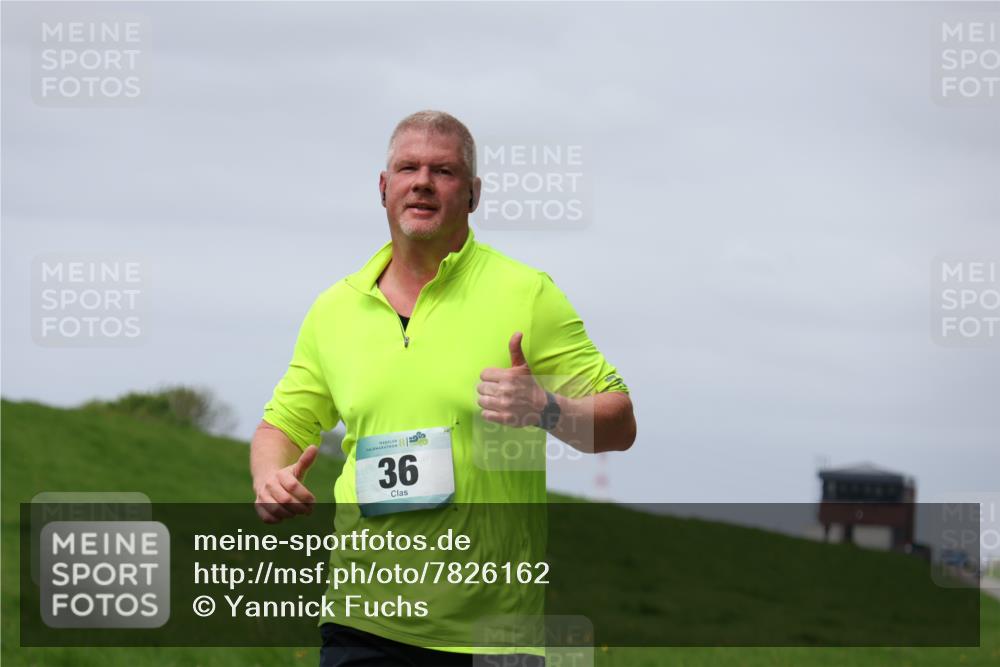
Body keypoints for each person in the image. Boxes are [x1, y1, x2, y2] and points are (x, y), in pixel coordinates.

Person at [250, 110, 636, 666]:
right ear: (384, 188)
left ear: (474, 194)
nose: (423, 181)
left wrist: (546, 408)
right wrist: (270, 477)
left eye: (444, 171)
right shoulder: (333, 311)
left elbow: (619, 424)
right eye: (408, 168)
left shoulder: (527, 295)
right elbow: (281, 426)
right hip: (361, 622)